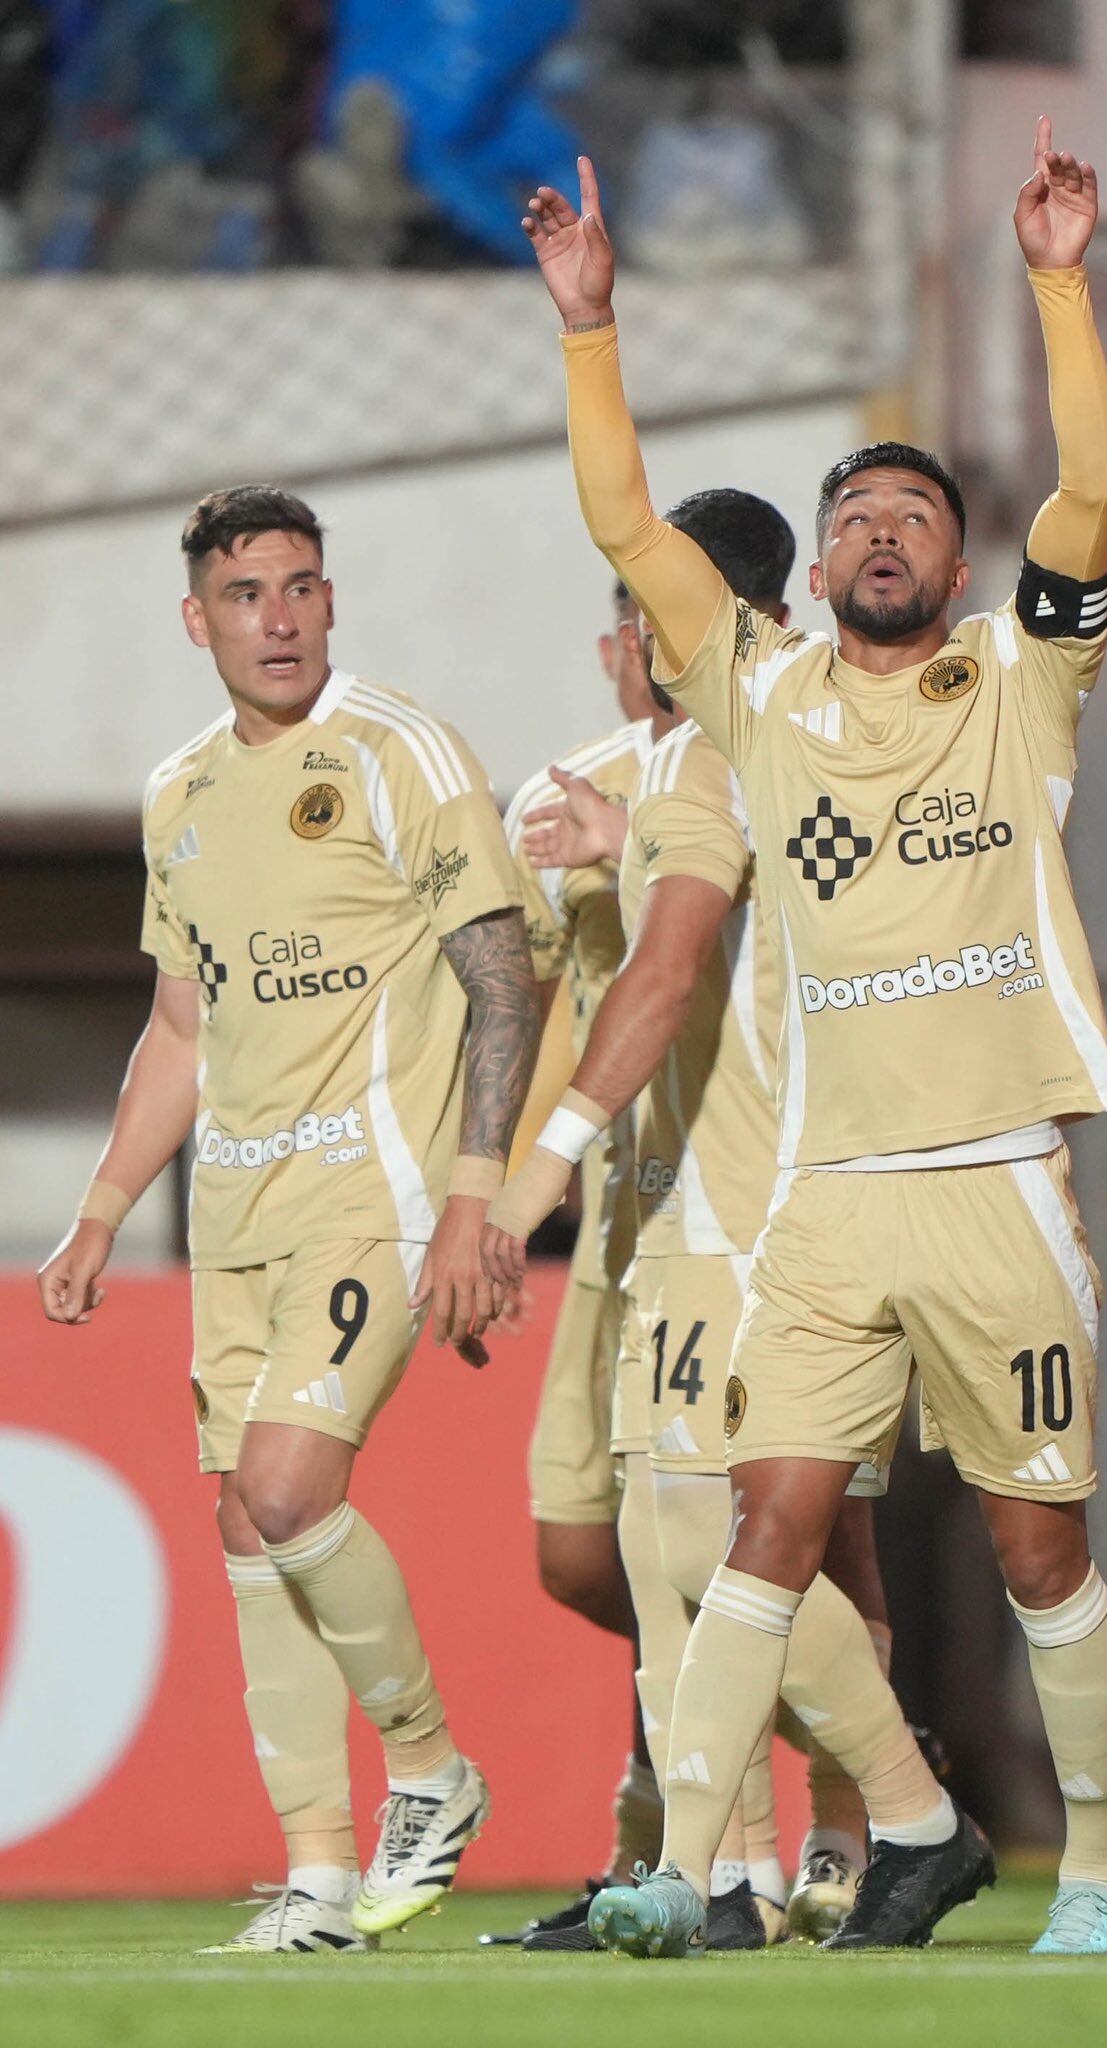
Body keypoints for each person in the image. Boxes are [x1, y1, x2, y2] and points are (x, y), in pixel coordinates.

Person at [508, 116, 1107, 1958]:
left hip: (995, 1183)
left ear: (956, 560)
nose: (878, 529)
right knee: (757, 1530)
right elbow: (626, 522)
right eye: (852, 510)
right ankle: (682, 1870)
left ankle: (1093, 1860)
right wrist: (589, 331)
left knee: (1038, 1555)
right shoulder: (757, 696)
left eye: (914, 513)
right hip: (827, 1200)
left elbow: (1088, 482)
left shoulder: (1024, 677)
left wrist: (1054, 283)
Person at [36, 486, 539, 1954]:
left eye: (303, 587)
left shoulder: (403, 752)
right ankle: (319, 1871)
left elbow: (505, 978)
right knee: (244, 1527)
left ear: (332, 599)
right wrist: (102, 1209)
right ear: (197, 621)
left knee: (287, 1488)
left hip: (369, 1200)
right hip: (236, 1216)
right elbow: (181, 1032)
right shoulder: (178, 794)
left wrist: (473, 1202)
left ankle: (436, 1771)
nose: (281, 617)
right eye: (248, 594)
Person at [487, 487, 954, 1949]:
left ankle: (897, 1822)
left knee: (749, 1544)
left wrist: (535, 1164)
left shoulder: (770, 742)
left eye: (654, 606)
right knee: (651, 1548)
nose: (635, 635)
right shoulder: (667, 767)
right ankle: (722, 1874)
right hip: (669, 1207)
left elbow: (683, 968)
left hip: (768, 1201)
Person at [479, 580, 682, 1951]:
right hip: (616, 1219)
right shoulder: (570, 792)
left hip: (741, 1219)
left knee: (791, 1536)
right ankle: (870, 1739)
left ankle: (837, 1829)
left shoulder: (775, 760)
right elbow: (547, 1000)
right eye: (636, 619)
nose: (651, 646)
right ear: (614, 642)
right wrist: (501, 1198)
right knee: (585, 1554)